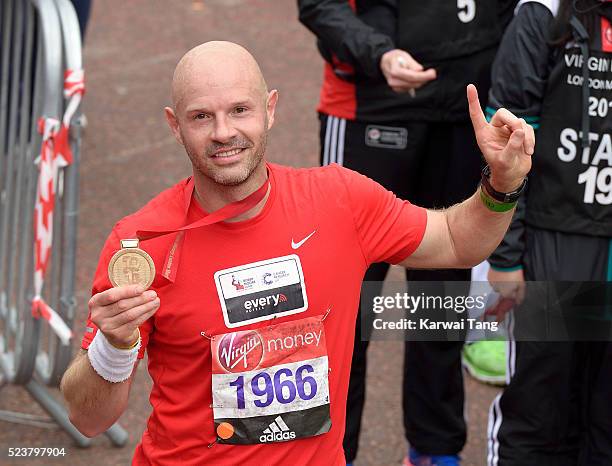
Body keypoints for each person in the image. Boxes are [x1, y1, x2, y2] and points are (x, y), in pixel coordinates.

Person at [60, 41, 533, 466]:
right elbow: (88, 418)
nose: (224, 132)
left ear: (270, 110)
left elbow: (456, 239)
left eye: (240, 110)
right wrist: (113, 347)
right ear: (174, 125)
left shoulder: (339, 201)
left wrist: (503, 184)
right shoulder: (142, 241)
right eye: (201, 116)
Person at [297, 1, 517, 464]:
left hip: (464, 109)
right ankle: (334, 452)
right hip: (370, 105)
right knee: (346, 300)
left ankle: (435, 447)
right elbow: (320, 6)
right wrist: (378, 54)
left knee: (443, 293)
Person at [485, 0, 612, 464]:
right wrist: (506, 256)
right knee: (538, 413)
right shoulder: (543, 13)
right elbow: (507, 145)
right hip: (554, 242)